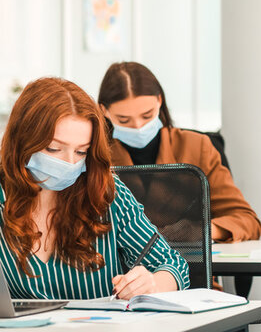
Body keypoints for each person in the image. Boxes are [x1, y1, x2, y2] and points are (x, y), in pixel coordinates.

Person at [0, 77, 189, 300]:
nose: (70, 162)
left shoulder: (107, 193)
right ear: (22, 141)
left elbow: (172, 266)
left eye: (81, 152)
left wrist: (152, 284)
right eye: (53, 149)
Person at [97, 62, 261, 243]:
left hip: (189, 266)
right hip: (119, 268)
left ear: (159, 101)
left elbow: (246, 220)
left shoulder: (197, 146)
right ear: (104, 110)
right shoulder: (94, 153)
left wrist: (201, 231)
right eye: (124, 119)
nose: (138, 126)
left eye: (147, 115)